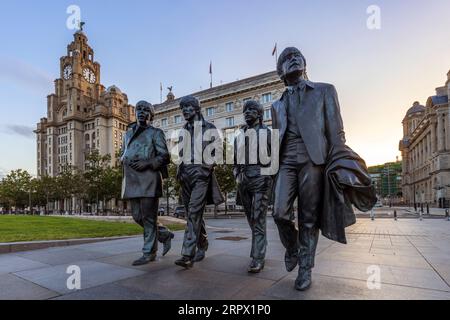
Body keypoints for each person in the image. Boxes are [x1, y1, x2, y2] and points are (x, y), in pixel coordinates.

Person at [271, 47, 348, 290]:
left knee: (308, 218)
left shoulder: (325, 90)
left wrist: (339, 161)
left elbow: (335, 130)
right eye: (286, 58)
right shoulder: (276, 105)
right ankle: (293, 248)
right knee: (279, 213)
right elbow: (276, 138)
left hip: (314, 159)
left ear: (305, 64)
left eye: (297, 56)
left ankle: (305, 267)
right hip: (286, 161)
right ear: (281, 72)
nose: (293, 58)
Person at [120, 100, 174, 266]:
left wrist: (148, 162)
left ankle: (149, 252)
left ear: (151, 115)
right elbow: (124, 151)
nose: (141, 112)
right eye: (139, 109)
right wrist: (122, 158)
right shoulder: (128, 133)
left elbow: (165, 156)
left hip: (149, 178)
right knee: (137, 216)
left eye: (146, 110)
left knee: (149, 218)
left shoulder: (156, 133)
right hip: (132, 178)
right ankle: (163, 234)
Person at [174, 96, 224, 269]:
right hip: (185, 176)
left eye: (187, 107)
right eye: (182, 108)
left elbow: (217, 152)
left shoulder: (210, 128)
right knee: (192, 214)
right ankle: (202, 244)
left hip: (201, 175)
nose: (184, 111)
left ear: (196, 108)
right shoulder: (183, 131)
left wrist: (205, 168)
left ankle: (187, 254)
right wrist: (180, 171)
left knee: (194, 212)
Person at [234, 100, 273, 273]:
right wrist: (237, 175)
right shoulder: (239, 136)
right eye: (245, 110)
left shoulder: (268, 133)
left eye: (251, 110)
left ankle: (258, 257)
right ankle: (261, 242)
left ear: (259, 114)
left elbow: (276, 157)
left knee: (258, 218)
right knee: (251, 218)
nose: (247, 112)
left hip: (261, 179)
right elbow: (235, 160)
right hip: (244, 181)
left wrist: (268, 176)